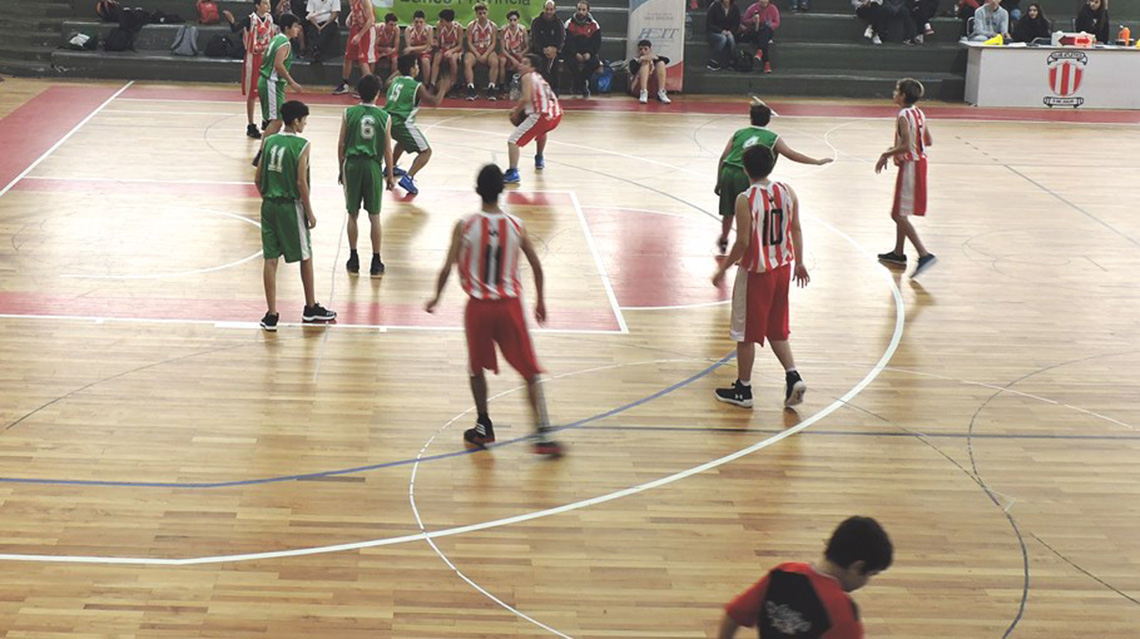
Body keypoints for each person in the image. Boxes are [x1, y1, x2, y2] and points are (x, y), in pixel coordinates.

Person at [424, 164, 563, 458]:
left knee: (476, 368)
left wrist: (436, 297)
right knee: (529, 369)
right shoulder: (516, 225)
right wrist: (540, 301)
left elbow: (448, 266)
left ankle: (484, 424)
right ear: (502, 191)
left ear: (477, 191)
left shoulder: (465, 225)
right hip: (509, 306)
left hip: (479, 308)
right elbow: (537, 267)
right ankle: (543, 432)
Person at [711, 145, 809, 410]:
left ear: (744, 168)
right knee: (776, 328)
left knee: (745, 334)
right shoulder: (787, 191)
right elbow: (796, 228)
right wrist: (799, 262)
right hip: (782, 270)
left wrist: (722, 270)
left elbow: (742, 242)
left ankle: (743, 389)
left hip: (757, 274)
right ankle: (793, 376)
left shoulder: (745, 199)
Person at [717, 517, 893, 639]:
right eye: (871, 574)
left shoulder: (782, 573)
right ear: (857, 567)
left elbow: (734, 614)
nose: (866, 583)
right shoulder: (843, 613)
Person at [256, 100, 337, 331]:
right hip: (291, 206)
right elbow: (301, 181)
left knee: (270, 260)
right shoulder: (302, 144)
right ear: (295, 120)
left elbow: (257, 178)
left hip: (269, 205)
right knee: (305, 255)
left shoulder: (269, 140)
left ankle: (271, 315)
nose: (306, 124)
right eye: (304, 120)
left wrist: (268, 197)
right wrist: (310, 212)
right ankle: (310, 307)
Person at [715, 101, 832, 254]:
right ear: (768, 120)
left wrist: (719, 181)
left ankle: (724, 239)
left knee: (729, 212)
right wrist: (816, 162)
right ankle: (748, 248)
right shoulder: (773, 138)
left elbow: (723, 157)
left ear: (750, 118)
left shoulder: (739, 133)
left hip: (728, 172)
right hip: (747, 175)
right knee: (750, 214)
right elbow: (792, 154)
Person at [876, 78, 936, 278]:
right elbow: (928, 140)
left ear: (902, 96)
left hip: (911, 165)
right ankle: (898, 253)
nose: (894, 93)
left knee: (897, 215)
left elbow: (908, 146)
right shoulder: (919, 112)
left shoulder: (903, 115)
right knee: (901, 211)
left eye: (896, 90)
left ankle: (923, 254)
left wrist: (887, 153)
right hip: (919, 164)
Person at [338, 74, 395, 278]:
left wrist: (340, 168)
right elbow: (388, 149)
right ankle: (376, 260)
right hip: (372, 166)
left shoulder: (349, 113)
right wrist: (389, 175)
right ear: (378, 94)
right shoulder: (385, 117)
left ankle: (353, 258)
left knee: (352, 214)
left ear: (359, 93)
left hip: (352, 165)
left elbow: (341, 144)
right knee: (375, 216)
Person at [385, 53, 448, 196]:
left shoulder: (394, 81)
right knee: (426, 152)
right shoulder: (417, 86)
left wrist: (400, 69)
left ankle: (391, 167)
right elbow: (434, 103)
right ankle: (409, 177)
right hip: (402, 123)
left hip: (387, 122)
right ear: (412, 69)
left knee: (402, 141)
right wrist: (443, 88)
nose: (418, 68)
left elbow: (386, 82)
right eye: (416, 65)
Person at [253, 13, 304, 167]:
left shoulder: (276, 38)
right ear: (287, 28)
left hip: (267, 81)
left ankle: (264, 151)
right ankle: (262, 154)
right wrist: (292, 82)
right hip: (271, 82)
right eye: (295, 26)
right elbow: (278, 65)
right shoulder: (285, 43)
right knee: (277, 121)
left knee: (274, 120)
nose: (298, 29)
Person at [505, 54, 563, 185]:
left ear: (533, 68)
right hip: (556, 115)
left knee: (513, 141)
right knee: (541, 131)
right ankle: (539, 158)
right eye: (521, 62)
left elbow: (526, 98)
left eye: (525, 63)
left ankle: (513, 172)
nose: (520, 65)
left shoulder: (527, 76)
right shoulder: (539, 78)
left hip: (542, 116)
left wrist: (516, 112)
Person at [223, 0, 277, 139]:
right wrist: (231, 20)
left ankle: (266, 119)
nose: (268, 5)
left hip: (266, 58)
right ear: (257, 5)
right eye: (265, 3)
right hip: (253, 58)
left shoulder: (270, 18)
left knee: (266, 90)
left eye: (269, 3)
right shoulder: (249, 19)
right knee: (253, 93)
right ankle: (251, 125)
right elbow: (235, 29)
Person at [333, 0, 374, 95]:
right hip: (355, 29)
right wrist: (350, 16)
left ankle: (369, 88)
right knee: (348, 57)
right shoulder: (352, 1)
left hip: (365, 31)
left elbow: (370, 20)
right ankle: (345, 84)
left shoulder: (365, 1)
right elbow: (355, 10)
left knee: (362, 60)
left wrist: (360, 35)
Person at [563, 1, 601, 98]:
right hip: (572, 53)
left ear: (588, 11)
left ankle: (578, 84)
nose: (581, 12)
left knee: (595, 63)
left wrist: (589, 53)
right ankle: (582, 85)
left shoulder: (594, 25)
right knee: (570, 62)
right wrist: (575, 53)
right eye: (579, 9)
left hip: (588, 53)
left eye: (583, 10)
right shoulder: (569, 24)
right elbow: (567, 42)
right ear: (576, 10)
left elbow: (596, 43)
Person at [464, 3, 500, 100]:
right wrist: (477, 54)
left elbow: (493, 43)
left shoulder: (493, 26)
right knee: (467, 62)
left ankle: (491, 87)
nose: (482, 15)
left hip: (487, 50)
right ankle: (471, 88)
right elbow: (469, 42)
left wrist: (485, 54)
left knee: (495, 62)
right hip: (475, 50)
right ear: (476, 14)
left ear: (487, 13)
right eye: (480, 13)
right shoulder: (471, 26)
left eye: (484, 13)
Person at [531, 1, 566, 92]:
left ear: (554, 10)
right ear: (543, 9)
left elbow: (562, 39)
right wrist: (543, 50)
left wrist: (555, 50)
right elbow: (534, 39)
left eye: (551, 9)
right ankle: (539, 89)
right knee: (540, 62)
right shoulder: (536, 22)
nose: (549, 12)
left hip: (554, 52)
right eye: (547, 9)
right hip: (539, 51)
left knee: (554, 63)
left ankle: (555, 89)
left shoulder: (559, 23)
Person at [628, 39, 671, 104]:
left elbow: (667, 60)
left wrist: (654, 58)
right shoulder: (634, 61)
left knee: (661, 63)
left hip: (653, 88)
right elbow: (633, 71)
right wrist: (641, 60)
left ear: (650, 50)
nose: (643, 51)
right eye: (640, 49)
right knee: (645, 63)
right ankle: (643, 92)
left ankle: (661, 92)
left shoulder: (655, 59)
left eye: (645, 49)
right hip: (638, 87)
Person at [431, 9, 464, 93]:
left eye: (442, 20)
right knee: (437, 57)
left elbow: (460, 45)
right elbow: (438, 41)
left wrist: (451, 51)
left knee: (452, 59)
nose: (440, 21)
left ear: (447, 21)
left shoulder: (458, 27)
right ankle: (432, 83)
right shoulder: (439, 26)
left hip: (455, 49)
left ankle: (454, 84)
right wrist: (434, 43)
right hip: (443, 48)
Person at [499, 10, 529, 97]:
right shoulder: (504, 30)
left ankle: (521, 87)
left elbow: (527, 46)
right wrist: (512, 58)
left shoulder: (522, 30)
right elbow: (502, 49)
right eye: (511, 20)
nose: (513, 22)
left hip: (519, 53)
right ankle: (501, 86)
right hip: (507, 53)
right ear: (508, 20)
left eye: (515, 20)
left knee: (524, 62)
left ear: (518, 20)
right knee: (502, 61)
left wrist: (522, 53)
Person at [742, 0, 779, 73]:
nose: (763, 2)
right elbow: (744, 20)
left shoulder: (773, 9)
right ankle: (766, 63)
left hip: (767, 31)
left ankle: (760, 51)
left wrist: (770, 24)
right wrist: (752, 20)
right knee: (764, 39)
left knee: (765, 30)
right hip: (755, 31)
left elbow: (777, 23)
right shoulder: (753, 8)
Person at [707, 0, 742, 71]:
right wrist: (721, 31)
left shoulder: (735, 8)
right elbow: (709, 24)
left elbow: (736, 24)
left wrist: (730, 31)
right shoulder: (715, 6)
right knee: (723, 39)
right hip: (714, 32)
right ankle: (713, 61)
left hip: (729, 31)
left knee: (731, 38)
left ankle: (732, 60)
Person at [404, 10, 434, 85]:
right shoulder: (408, 29)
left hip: (425, 52)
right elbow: (408, 46)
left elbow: (428, 46)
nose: (418, 24)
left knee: (425, 61)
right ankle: (409, 83)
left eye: (421, 22)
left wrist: (413, 48)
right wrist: (413, 49)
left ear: (424, 21)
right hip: (413, 53)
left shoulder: (429, 29)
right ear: (413, 21)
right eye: (416, 22)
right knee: (408, 59)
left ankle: (426, 84)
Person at [372, 12, 401, 85]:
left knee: (395, 60)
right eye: (391, 25)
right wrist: (383, 51)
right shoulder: (378, 28)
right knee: (372, 59)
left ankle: (393, 83)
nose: (393, 27)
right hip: (378, 50)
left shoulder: (397, 30)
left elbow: (396, 48)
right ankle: (371, 81)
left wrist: (389, 51)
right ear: (385, 23)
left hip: (389, 51)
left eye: (395, 25)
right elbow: (373, 46)